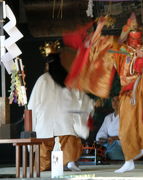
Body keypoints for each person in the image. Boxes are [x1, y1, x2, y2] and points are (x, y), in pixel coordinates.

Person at [63, 13, 143, 173]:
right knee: (127, 126)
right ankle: (131, 158)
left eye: (137, 32)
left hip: (141, 87)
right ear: (126, 32)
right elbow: (94, 45)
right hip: (127, 92)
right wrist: (100, 26)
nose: (134, 35)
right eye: (130, 30)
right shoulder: (120, 48)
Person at [28, 43, 94, 172]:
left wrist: (31, 127)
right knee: (69, 139)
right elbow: (79, 102)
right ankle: (70, 161)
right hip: (65, 126)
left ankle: (54, 164)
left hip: (44, 128)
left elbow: (32, 105)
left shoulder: (42, 79)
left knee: (42, 164)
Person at [96, 96, 124, 160]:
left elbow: (130, 134)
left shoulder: (127, 116)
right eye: (113, 100)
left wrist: (115, 138)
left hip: (122, 144)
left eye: (117, 100)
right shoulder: (108, 117)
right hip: (109, 143)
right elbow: (102, 132)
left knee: (112, 148)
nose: (115, 103)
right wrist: (102, 139)